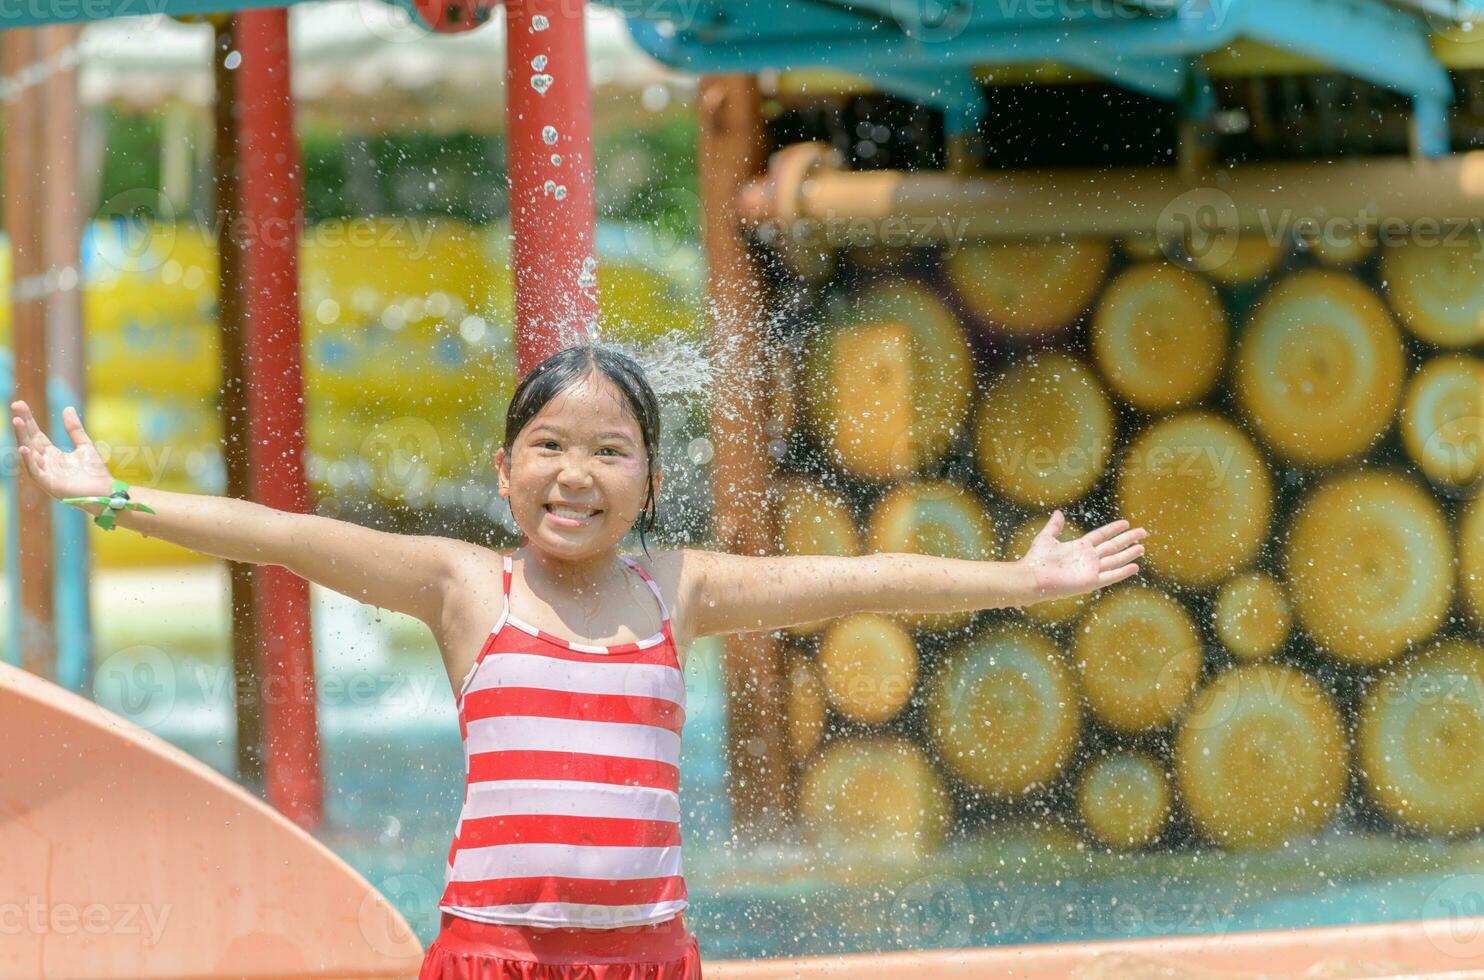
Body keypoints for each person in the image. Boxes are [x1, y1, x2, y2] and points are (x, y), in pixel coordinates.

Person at [9, 342, 1146, 978]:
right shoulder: (468, 588)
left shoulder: (678, 586)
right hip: (491, 958)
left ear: (647, 482)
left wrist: (1018, 579)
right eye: (548, 446)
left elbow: (852, 581)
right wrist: (117, 497)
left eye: (610, 451)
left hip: (645, 959)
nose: (576, 472)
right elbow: (295, 537)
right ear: (504, 473)